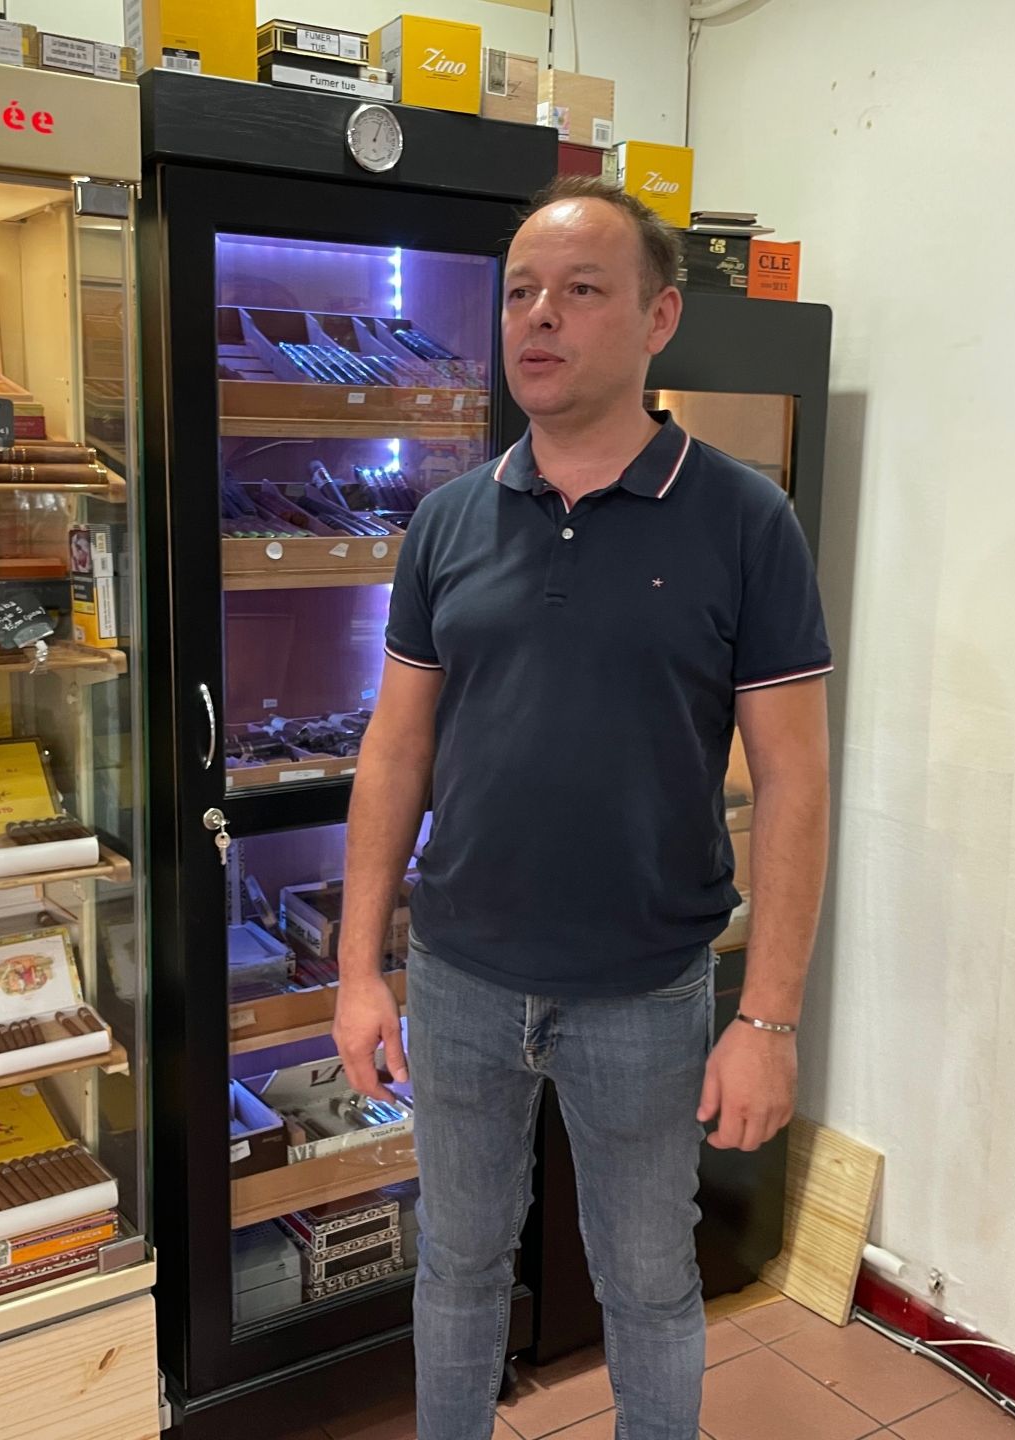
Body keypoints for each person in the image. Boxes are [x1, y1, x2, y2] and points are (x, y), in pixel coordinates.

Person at [333, 175, 832, 1440]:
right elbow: (395, 750)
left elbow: (795, 778)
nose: (538, 317)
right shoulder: (447, 521)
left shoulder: (745, 519)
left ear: (660, 317)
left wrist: (768, 1018)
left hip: (645, 990)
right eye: (519, 293)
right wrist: (358, 970)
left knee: (650, 1286)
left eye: (580, 290)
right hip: (458, 977)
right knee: (455, 1269)